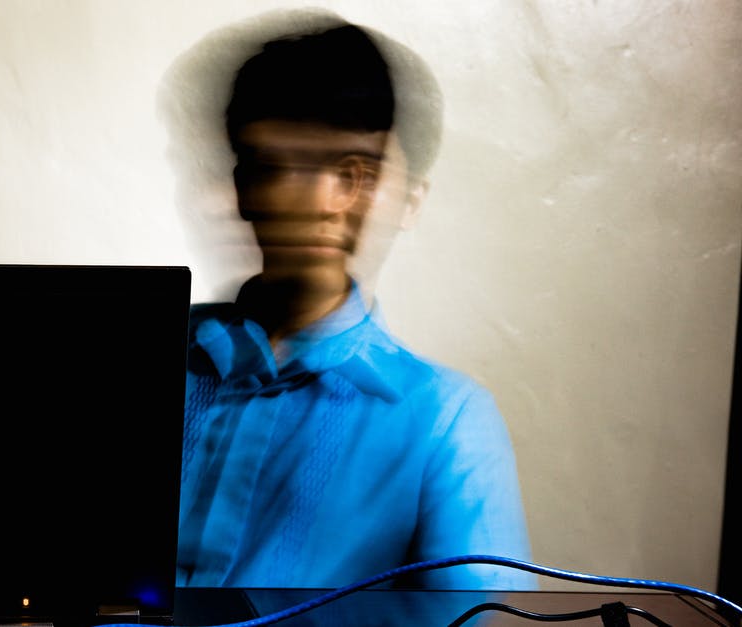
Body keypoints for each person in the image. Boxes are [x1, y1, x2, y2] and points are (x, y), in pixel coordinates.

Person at [175, 18, 536, 591]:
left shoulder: (445, 421)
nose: (321, 201)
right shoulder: (133, 355)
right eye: (280, 166)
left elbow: (483, 617)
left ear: (410, 199)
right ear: (243, 185)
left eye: (355, 173)